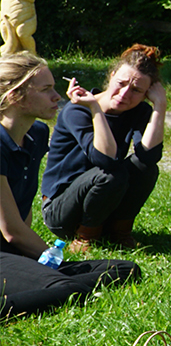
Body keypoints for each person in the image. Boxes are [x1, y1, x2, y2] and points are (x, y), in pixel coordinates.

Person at [1, 53, 139, 315]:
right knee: (69, 289)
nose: (57, 96)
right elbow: (12, 230)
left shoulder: (37, 134)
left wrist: (38, 260)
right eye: (46, 90)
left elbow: (24, 207)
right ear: (14, 97)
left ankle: (39, 284)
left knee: (126, 269)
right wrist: (49, 260)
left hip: (12, 253)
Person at [41, 43, 167, 250]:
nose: (125, 94)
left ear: (147, 93)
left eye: (136, 90)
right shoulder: (77, 110)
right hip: (61, 211)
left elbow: (149, 156)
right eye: (121, 83)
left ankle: (120, 232)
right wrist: (94, 108)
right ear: (112, 75)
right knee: (110, 173)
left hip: (104, 201)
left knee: (146, 169)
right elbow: (105, 159)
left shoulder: (138, 111)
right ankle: (85, 237)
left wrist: (160, 107)